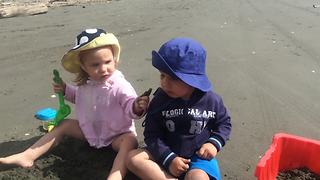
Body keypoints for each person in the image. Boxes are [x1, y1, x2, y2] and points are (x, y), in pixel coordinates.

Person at [0, 28, 150, 180]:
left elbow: (129, 105)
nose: (103, 68)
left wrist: (136, 106)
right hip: (92, 132)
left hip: (117, 134)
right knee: (64, 124)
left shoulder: (119, 85)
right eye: (95, 65)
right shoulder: (86, 84)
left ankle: (116, 174)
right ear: (84, 67)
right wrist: (65, 90)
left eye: (107, 62)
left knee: (129, 141)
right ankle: (28, 155)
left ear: (114, 59)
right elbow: (79, 98)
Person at [126, 38, 232, 180]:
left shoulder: (211, 100)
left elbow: (224, 124)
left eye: (174, 79)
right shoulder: (159, 101)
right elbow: (152, 134)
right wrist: (168, 158)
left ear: (193, 80)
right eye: (162, 75)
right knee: (133, 158)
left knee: (198, 177)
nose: (164, 83)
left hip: (198, 157)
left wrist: (213, 143)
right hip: (165, 151)